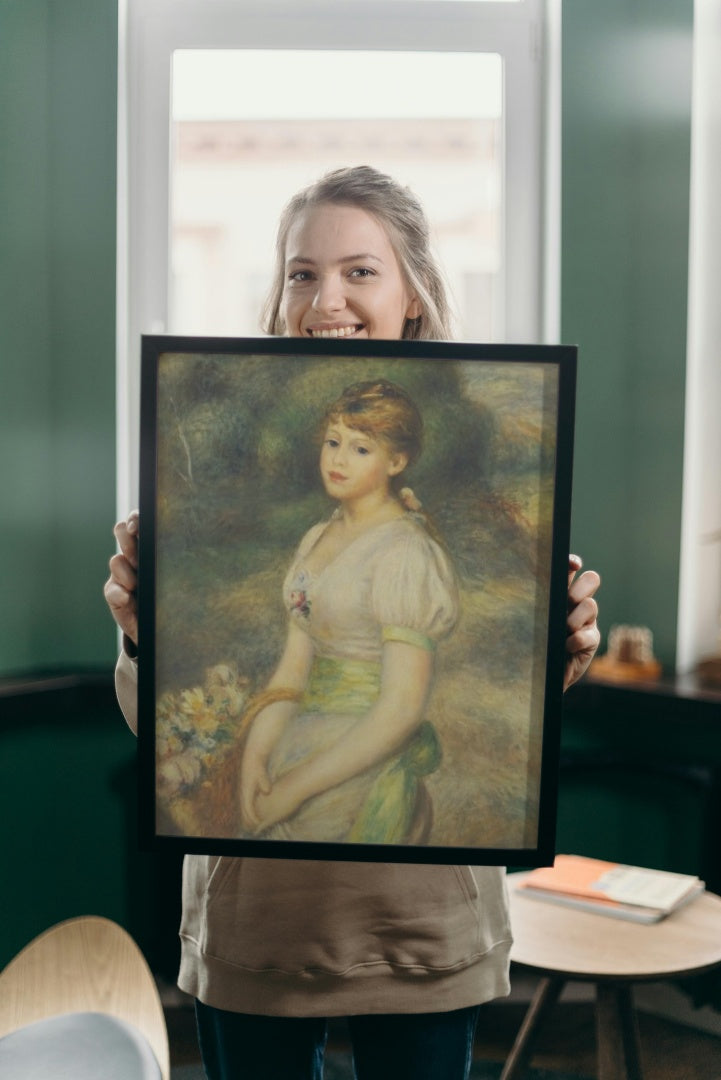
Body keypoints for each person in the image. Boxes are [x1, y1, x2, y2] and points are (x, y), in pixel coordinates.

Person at [105, 165, 601, 1080]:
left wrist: (555, 656)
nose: (324, 297)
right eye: (301, 272)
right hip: (256, 917)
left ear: (413, 292)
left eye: (359, 271)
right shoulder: (304, 530)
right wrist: (153, 644)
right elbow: (206, 703)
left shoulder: (430, 540)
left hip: (413, 918)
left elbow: (405, 711)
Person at [239, 379, 458, 845]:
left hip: (360, 764)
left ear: (396, 462)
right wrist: (255, 759)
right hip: (296, 749)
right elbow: (292, 673)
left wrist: (296, 789)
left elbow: (401, 709)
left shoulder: (403, 552)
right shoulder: (316, 538)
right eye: (333, 442)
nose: (338, 460)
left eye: (360, 449)